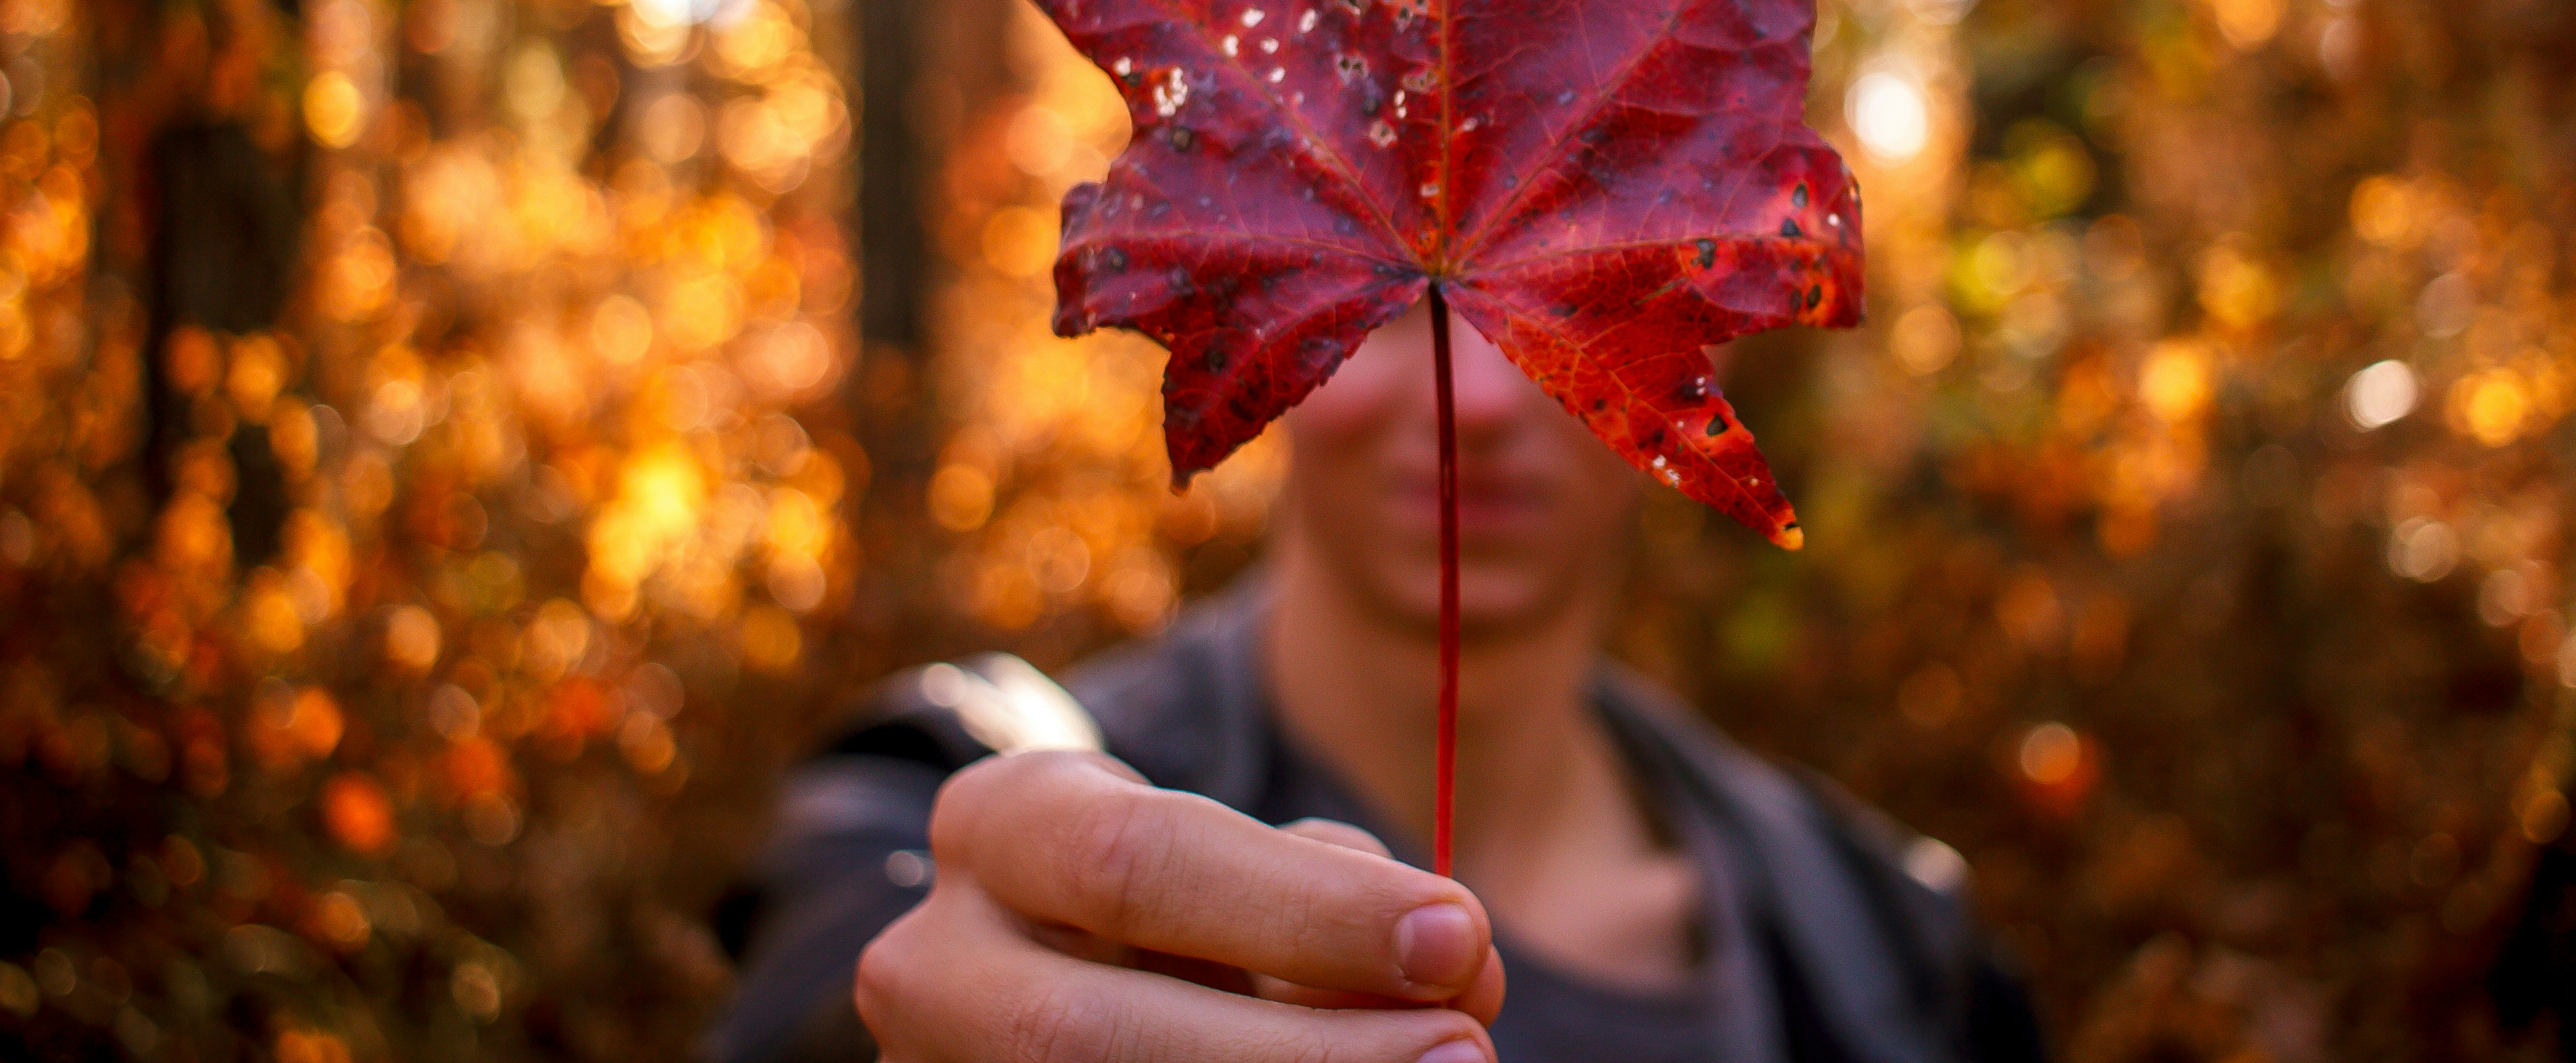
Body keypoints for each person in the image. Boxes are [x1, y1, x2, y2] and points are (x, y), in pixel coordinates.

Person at [711, 299, 2045, 1063]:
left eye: (1572, 308)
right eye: (1398, 307)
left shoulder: (1886, 934)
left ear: (1705, 360)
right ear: (1259, 323)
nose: (1482, 400)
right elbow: (845, 969)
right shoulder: (962, 784)